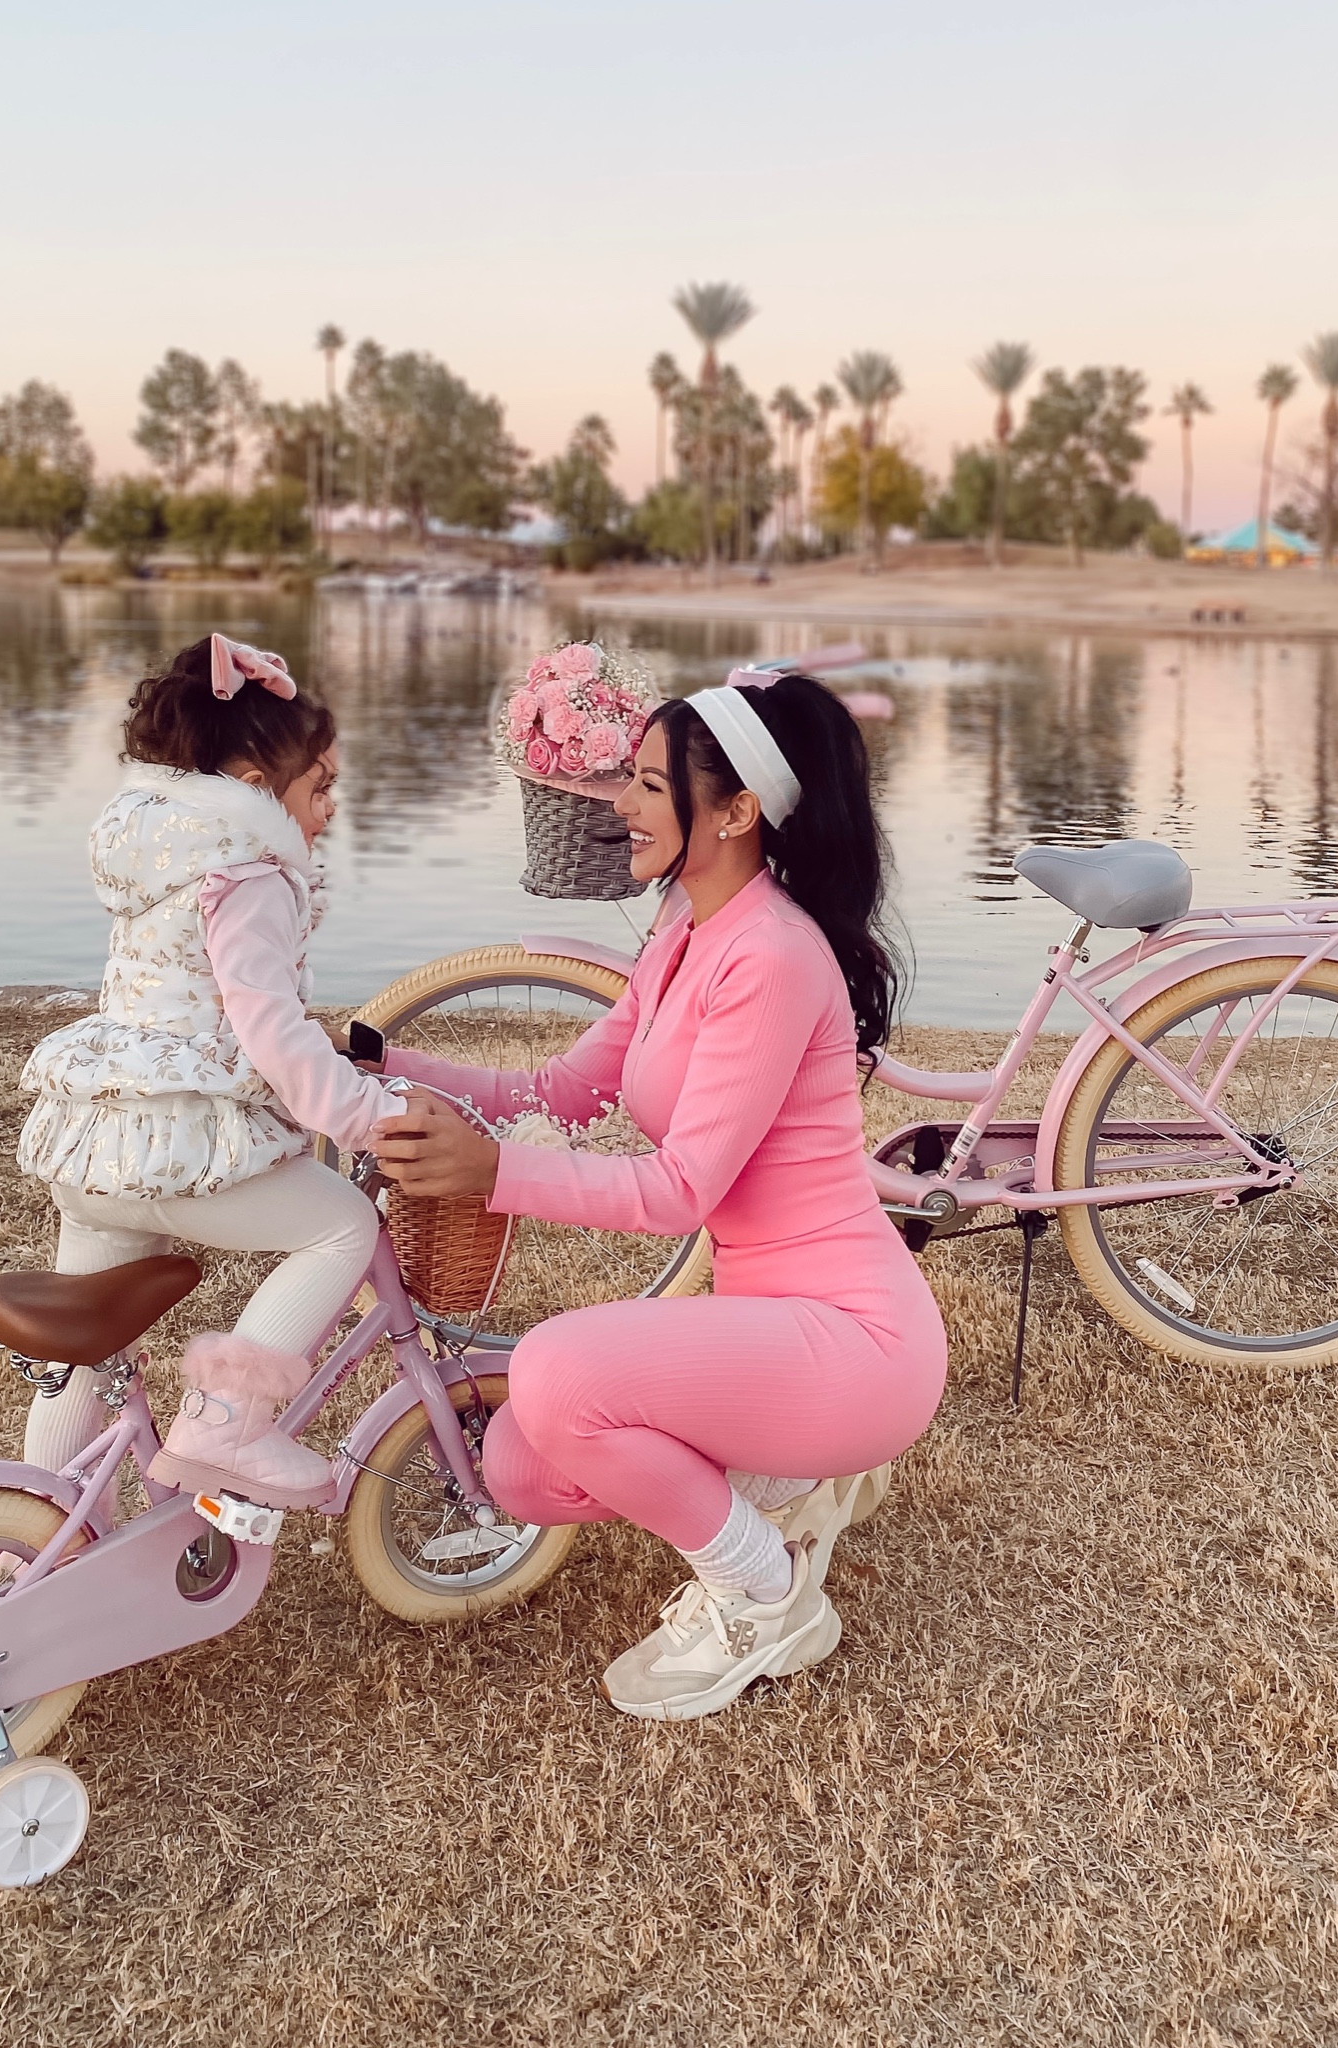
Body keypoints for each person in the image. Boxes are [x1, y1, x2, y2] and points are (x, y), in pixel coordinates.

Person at [369, 675, 948, 1721]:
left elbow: (681, 1190)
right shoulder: (686, 925)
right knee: (518, 1465)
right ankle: (787, 1487)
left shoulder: (771, 954)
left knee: (549, 1370)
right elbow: (558, 1091)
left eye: (645, 784)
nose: (620, 806)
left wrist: (494, 1171)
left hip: (855, 1340)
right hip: (765, 1321)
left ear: (733, 811)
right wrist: (376, 1058)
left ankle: (765, 1591)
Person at [14, 633, 404, 1508]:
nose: (331, 809)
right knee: (342, 1225)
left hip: (104, 1146)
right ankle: (225, 1427)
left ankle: (41, 1529)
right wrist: (359, 1116)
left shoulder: (164, 857)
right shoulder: (250, 874)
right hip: (181, 1141)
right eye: (322, 786)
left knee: (84, 1351)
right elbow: (267, 1028)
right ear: (260, 790)